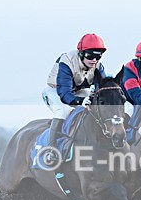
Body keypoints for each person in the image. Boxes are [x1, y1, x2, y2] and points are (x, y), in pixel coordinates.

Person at [42, 33, 109, 163]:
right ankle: (51, 150)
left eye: (98, 56)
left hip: (78, 90)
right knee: (64, 111)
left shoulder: (98, 66)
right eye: (90, 56)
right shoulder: (67, 62)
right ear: (81, 53)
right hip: (55, 90)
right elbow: (65, 94)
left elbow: (102, 88)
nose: (94, 60)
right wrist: (80, 101)